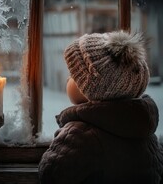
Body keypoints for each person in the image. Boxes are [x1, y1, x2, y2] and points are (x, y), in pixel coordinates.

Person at [38, 30, 163, 184]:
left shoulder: (80, 136)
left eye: (74, 76)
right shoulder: (144, 132)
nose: (67, 79)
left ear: (91, 91)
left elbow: (51, 173)